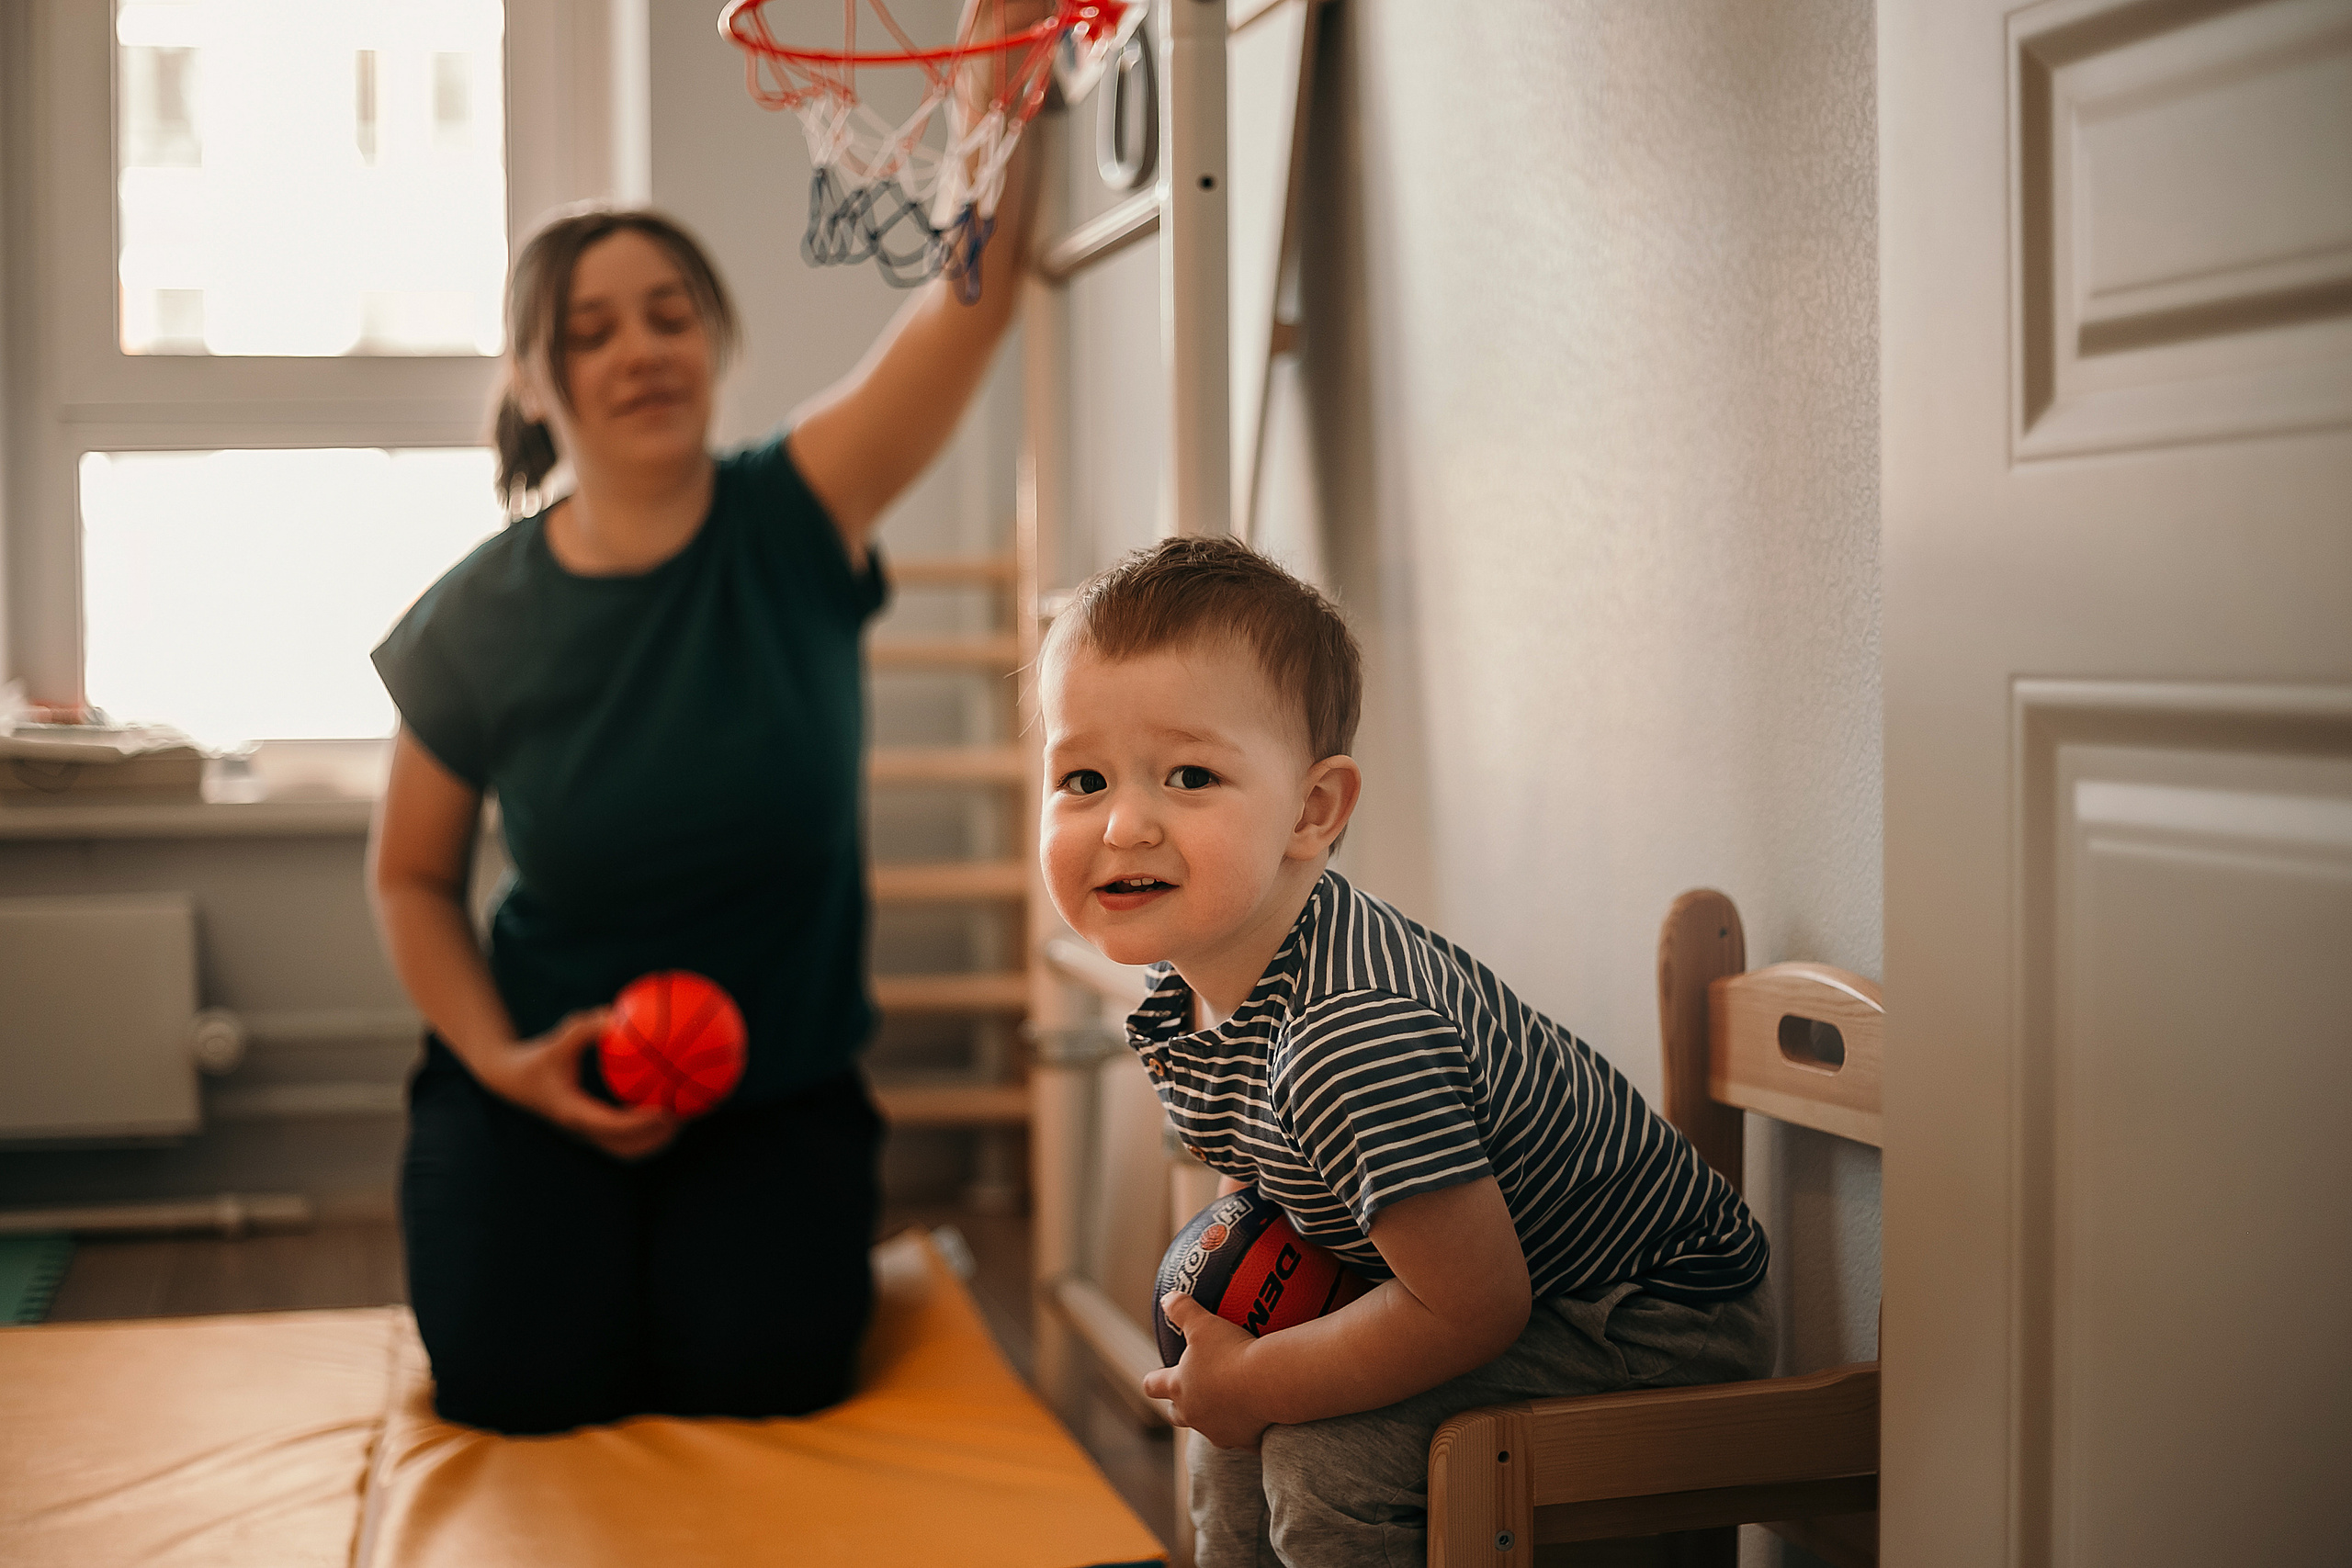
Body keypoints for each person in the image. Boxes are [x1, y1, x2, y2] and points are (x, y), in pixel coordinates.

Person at [365, 190, 1029, 1435]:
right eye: (595, 330)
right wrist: (510, 1064)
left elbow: (968, 313)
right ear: (535, 377)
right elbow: (409, 878)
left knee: (760, 1374)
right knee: (515, 1381)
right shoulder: (474, 614)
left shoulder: (794, 511)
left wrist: (1011, 112)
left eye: (670, 315)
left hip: (774, 1087)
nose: (642, 351)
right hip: (536, 1074)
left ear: (713, 340)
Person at [1035, 536, 1775, 1565]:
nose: (1122, 825)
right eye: (1080, 777)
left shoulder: (1351, 1034)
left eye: (1189, 775)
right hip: (1481, 1290)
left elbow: (1473, 1308)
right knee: (1229, 1437)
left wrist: (1259, 1379)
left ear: (1312, 810)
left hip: (1644, 1320)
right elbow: (1278, 1192)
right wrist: (1240, 1373)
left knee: (1320, 1457)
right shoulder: (1193, 987)